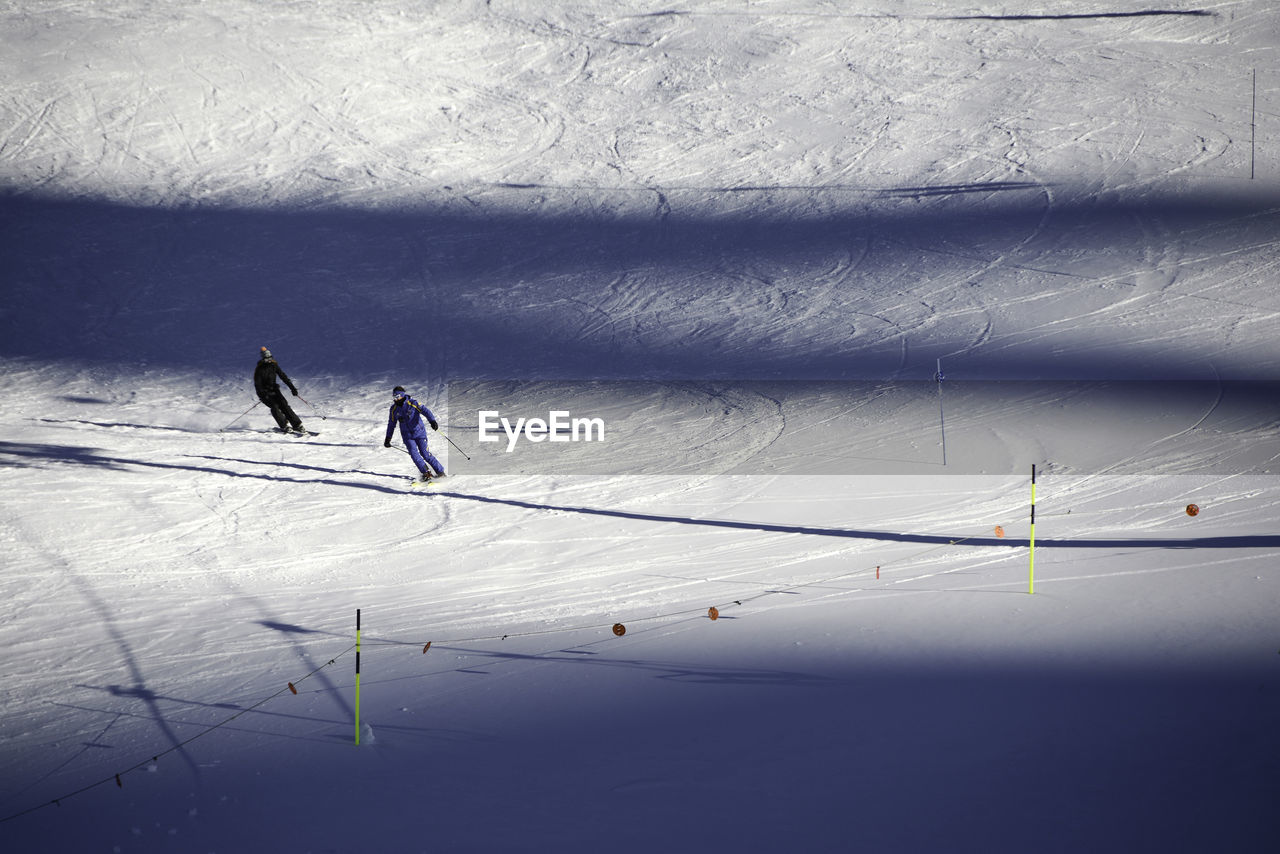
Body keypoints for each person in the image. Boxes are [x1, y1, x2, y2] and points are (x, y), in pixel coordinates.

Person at [385, 386, 444, 480]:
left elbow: (426, 411)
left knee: (425, 454)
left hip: (419, 433)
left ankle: (440, 471)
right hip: (407, 436)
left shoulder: (413, 403)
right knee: (414, 454)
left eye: (397, 396)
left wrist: (432, 421)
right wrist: (388, 438)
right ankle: (426, 473)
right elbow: (391, 424)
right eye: (394, 397)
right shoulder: (394, 409)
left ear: (402, 395)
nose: (395, 399)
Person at [254, 347, 305, 434]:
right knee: (275, 407)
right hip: (265, 393)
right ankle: (284, 425)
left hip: (275, 390)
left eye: (270, 358)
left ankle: (297, 425)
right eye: (267, 359)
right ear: (263, 359)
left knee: (284, 405)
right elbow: (257, 385)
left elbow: (283, 377)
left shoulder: (274, 365)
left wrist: (292, 388)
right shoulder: (259, 369)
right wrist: (262, 395)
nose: (269, 360)